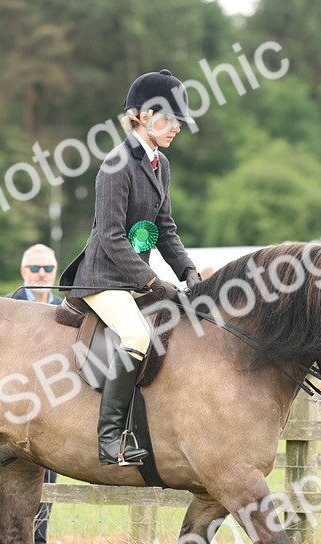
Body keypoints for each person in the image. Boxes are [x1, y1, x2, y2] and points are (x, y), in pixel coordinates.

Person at [60, 69, 202, 466]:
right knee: (138, 335)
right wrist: (152, 281)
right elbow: (109, 234)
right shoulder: (116, 164)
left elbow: (164, 228)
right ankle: (108, 440)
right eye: (170, 119)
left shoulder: (161, 165)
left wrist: (188, 272)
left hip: (134, 278)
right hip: (104, 278)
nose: (176, 128)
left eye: (177, 121)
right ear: (142, 115)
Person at [8, 244, 61, 544]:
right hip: (10, 408)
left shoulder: (66, 309)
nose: (42, 275)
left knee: (49, 476)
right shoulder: (7, 309)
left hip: (51, 409)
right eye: (35, 269)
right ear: (23, 272)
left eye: (47, 269)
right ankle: (10, 539)